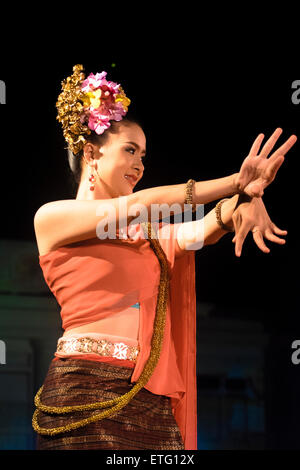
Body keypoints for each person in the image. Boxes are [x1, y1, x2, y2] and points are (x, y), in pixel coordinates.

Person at [32, 65, 297, 450]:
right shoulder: (53, 218)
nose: (140, 164)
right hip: (84, 391)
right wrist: (234, 183)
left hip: (150, 402)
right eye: (130, 150)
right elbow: (141, 204)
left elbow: (198, 232)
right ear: (90, 153)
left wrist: (244, 200)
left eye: (144, 154)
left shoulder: (149, 237)